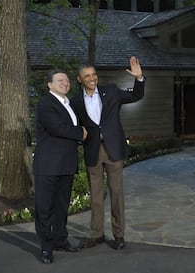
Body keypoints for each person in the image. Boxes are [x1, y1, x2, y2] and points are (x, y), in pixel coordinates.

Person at [70, 56, 145, 250]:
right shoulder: (76, 101)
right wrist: (80, 137)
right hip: (92, 151)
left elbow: (135, 96)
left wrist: (139, 79)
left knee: (116, 194)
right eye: (87, 75)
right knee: (95, 197)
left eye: (94, 74)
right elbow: (74, 125)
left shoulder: (111, 91)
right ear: (80, 79)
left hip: (113, 150)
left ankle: (119, 235)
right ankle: (97, 235)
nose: (92, 78)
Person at [33, 70, 88, 264]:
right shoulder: (46, 103)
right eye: (59, 80)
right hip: (48, 164)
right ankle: (46, 248)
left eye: (66, 80)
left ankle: (60, 240)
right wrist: (80, 132)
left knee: (61, 206)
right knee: (45, 207)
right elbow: (57, 128)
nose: (65, 83)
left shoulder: (69, 104)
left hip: (66, 164)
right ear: (49, 84)